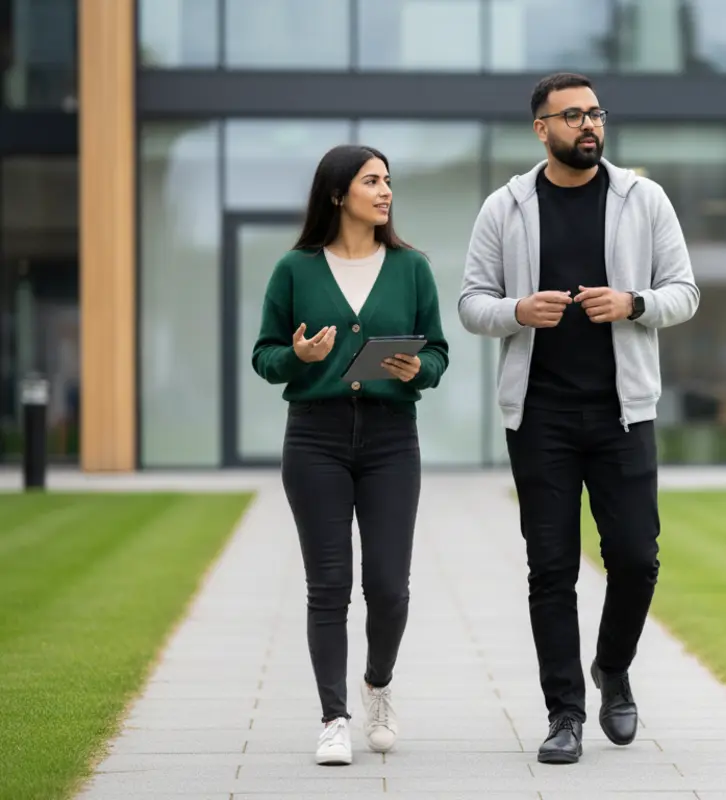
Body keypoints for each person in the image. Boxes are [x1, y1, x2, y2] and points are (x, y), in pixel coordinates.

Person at [458, 72, 700, 765]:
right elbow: (472, 302)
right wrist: (516, 312)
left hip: (625, 413)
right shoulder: (505, 207)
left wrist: (633, 303)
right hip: (540, 417)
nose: (589, 126)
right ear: (542, 128)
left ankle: (613, 669)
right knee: (551, 569)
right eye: (573, 116)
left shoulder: (643, 199)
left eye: (595, 113)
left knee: (636, 560)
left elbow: (685, 291)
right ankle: (564, 714)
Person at [251, 144, 450, 766]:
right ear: (339, 194)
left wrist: (418, 368)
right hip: (316, 437)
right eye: (372, 181)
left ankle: (379, 684)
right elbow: (264, 355)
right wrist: (299, 358)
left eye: (388, 180)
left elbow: (439, 354)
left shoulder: (412, 267)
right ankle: (333, 717)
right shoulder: (295, 269)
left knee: (389, 587)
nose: (386, 190)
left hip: (392, 438)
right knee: (328, 586)